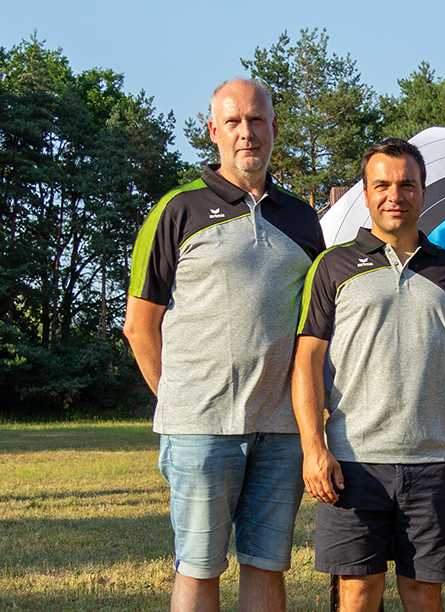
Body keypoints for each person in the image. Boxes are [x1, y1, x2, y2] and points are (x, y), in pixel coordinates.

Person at [123, 78, 325, 612]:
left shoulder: (303, 221)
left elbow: (317, 329)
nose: (246, 132)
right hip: (199, 429)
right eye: (232, 121)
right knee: (198, 568)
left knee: (267, 566)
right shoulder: (177, 209)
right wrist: (179, 402)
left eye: (257, 120)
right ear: (212, 129)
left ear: (275, 128)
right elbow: (140, 325)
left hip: (281, 430)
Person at [292, 138, 445, 612]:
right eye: (381, 184)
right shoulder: (332, 266)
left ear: (423, 191)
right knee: (358, 596)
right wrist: (314, 449)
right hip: (352, 462)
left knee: (424, 595)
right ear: (364, 193)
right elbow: (306, 362)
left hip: (435, 463)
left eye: (407, 184)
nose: (394, 194)